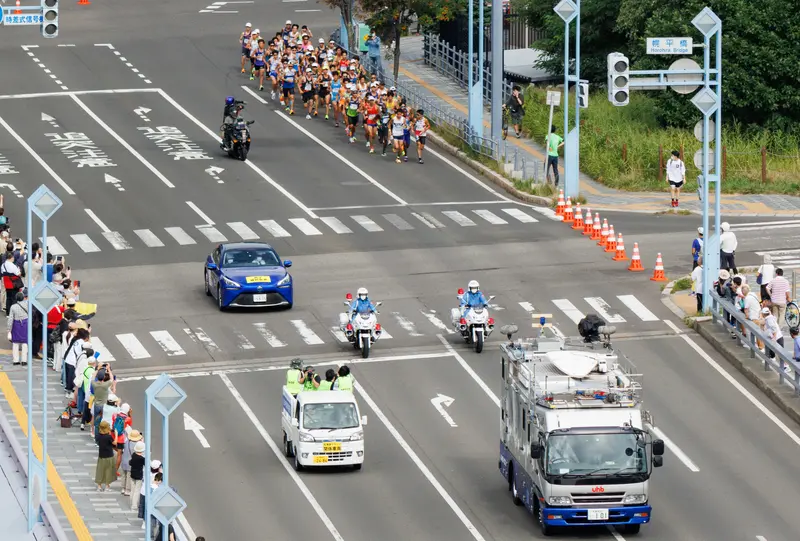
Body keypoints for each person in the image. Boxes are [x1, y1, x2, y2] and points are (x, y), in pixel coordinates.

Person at [7, 291, 28, 365]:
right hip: (25, 324)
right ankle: (24, 360)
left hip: (16, 324)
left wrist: (9, 329)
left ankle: (16, 360)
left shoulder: (13, 307)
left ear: (16, 298)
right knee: (25, 342)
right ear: (23, 298)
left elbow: (10, 319)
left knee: (15, 343)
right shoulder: (27, 305)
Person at [95, 421, 116, 492]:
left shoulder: (98, 436)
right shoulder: (109, 437)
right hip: (109, 456)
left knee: (100, 471)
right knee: (108, 471)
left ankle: (99, 486)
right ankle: (107, 486)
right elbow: (114, 443)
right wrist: (116, 435)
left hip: (101, 456)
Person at [129, 440, 145, 511]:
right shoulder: (142, 459)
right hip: (139, 476)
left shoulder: (133, 455)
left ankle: (131, 501)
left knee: (132, 489)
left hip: (132, 474)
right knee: (137, 490)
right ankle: (134, 505)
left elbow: (131, 462)